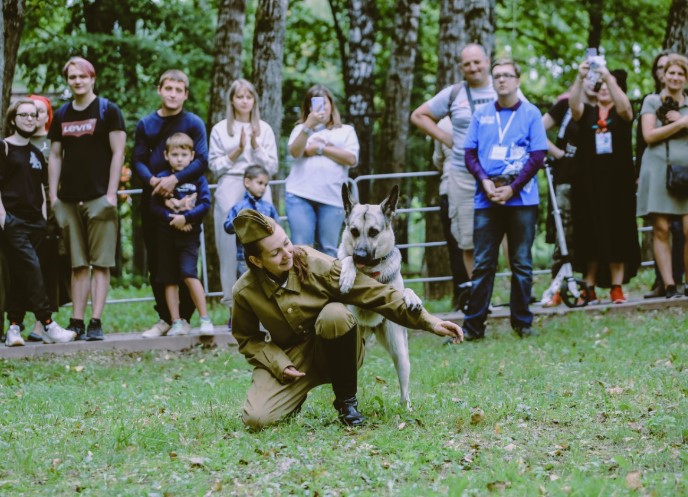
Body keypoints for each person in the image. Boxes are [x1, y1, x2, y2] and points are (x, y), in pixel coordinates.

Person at [231, 209, 463, 429]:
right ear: (256, 261)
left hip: (336, 347)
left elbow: (377, 293)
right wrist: (279, 364)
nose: (287, 254)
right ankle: (293, 398)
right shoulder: (245, 291)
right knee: (257, 419)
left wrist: (429, 321)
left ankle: (346, 403)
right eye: (275, 253)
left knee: (335, 313)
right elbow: (248, 339)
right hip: (291, 361)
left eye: (286, 242)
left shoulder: (314, 263)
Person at [411, 44, 525, 279]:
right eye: (467, 64)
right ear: (461, 68)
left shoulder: (503, 87)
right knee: (468, 239)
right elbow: (418, 115)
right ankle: (480, 298)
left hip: (502, 175)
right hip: (464, 176)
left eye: (477, 62)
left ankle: (518, 293)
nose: (473, 68)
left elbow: (525, 119)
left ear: (486, 61)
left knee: (510, 235)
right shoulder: (454, 93)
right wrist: (446, 138)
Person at [462, 59, 548, 340]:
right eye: (497, 75)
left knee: (521, 262)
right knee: (484, 263)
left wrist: (512, 188)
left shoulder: (531, 113)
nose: (501, 80)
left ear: (517, 81)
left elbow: (538, 156)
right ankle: (473, 328)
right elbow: (470, 154)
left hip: (521, 199)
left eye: (507, 75)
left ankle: (522, 323)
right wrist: (485, 181)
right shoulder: (481, 114)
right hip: (487, 198)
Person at [48, 56, 126, 340]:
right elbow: (55, 155)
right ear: (67, 81)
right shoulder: (62, 115)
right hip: (68, 199)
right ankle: (77, 321)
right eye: (72, 77)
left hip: (99, 197)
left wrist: (111, 193)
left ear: (92, 78)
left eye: (82, 76)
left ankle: (95, 321)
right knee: (77, 264)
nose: (77, 81)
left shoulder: (108, 111)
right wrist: (53, 196)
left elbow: (119, 152)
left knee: (100, 263)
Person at [132, 69, 208, 338]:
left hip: (189, 203)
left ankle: (185, 318)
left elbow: (202, 161)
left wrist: (174, 180)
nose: (173, 94)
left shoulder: (194, 123)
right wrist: (154, 182)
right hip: (155, 204)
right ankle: (165, 318)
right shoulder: (146, 124)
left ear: (186, 94)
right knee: (159, 263)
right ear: (159, 90)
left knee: (187, 266)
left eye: (179, 90)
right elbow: (137, 160)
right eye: (168, 89)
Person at [0, 98, 76, 346]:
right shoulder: (4, 148)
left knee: (23, 274)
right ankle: (47, 323)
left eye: (33, 115)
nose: (29, 119)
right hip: (13, 222)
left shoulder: (35, 153)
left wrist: (43, 218)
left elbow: (41, 189)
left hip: (36, 223)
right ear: (13, 119)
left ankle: (13, 327)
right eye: (24, 115)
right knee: (32, 268)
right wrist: (4, 218)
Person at [569, 61, 640, 304]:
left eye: (608, 86)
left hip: (618, 182)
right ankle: (588, 286)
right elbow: (574, 107)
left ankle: (616, 286)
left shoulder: (621, 113)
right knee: (589, 231)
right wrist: (580, 78)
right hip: (588, 182)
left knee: (618, 230)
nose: (603, 89)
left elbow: (627, 110)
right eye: (599, 86)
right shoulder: (586, 113)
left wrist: (608, 76)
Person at [209, 79, 278, 315]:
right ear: (232, 100)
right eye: (240, 96)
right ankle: (233, 307)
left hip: (260, 186)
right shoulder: (220, 129)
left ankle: (264, 306)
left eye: (249, 96)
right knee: (229, 247)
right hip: (230, 183)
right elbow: (215, 166)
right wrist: (237, 150)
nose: (244, 101)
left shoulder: (265, 128)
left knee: (263, 243)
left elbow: (273, 166)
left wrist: (256, 146)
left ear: (254, 100)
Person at [149, 133, 214, 336]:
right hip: (166, 236)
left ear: (192, 155)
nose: (179, 158)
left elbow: (205, 204)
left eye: (184, 154)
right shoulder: (161, 179)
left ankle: (205, 319)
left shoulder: (198, 179)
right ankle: (175, 321)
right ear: (166, 155)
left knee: (189, 273)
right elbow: (153, 207)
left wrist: (186, 219)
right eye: (175, 154)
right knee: (169, 279)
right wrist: (172, 218)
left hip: (189, 237)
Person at [540, 80, 597, 307]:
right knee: (565, 233)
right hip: (566, 179)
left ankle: (588, 287)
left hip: (593, 182)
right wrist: (558, 154)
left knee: (591, 233)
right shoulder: (565, 105)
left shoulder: (604, 106)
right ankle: (558, 286)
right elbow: (536, 128)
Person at [636, 53, 688, 299]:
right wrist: (679, 125)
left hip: (686, 171)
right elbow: (649, 136)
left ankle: (686, 282)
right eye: (671, 73)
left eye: (680, 73)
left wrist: (682, 120)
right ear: (663, 76)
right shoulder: (651, 101)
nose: (675, 78)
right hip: (656, 169)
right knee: (661, 228)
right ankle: (669, 285)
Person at [285, 84, 359, 257]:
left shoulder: (346, 131)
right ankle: (303, 285)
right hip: (299, 196)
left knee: (328, 249)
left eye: (324, 103)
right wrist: (307, 127)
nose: (321, 108)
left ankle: (328, 285)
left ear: (331, 105)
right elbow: (295, 152)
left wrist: (319, 149)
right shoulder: (299, 129)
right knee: (302, 248)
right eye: (315, 104)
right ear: (308, 108)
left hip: (332, 199)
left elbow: (351, 159)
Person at [432, 117, 469, 309]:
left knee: (456, 248)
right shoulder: (482, 116)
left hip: (449, 188)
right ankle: (476, 295)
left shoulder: (443, 123)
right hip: (474, 190)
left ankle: (462, 296)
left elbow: (437, 159)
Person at [223, 165, 280, 277]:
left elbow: (277, 227)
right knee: (246, 287)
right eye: (260, 183)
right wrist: (242, 223)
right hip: (244, 257)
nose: (263, 187)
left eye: (265, 184)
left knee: (268, 285)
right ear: (247, 182)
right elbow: (227, 226)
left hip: (267, 255)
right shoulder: (239, 207)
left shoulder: (269, 207)